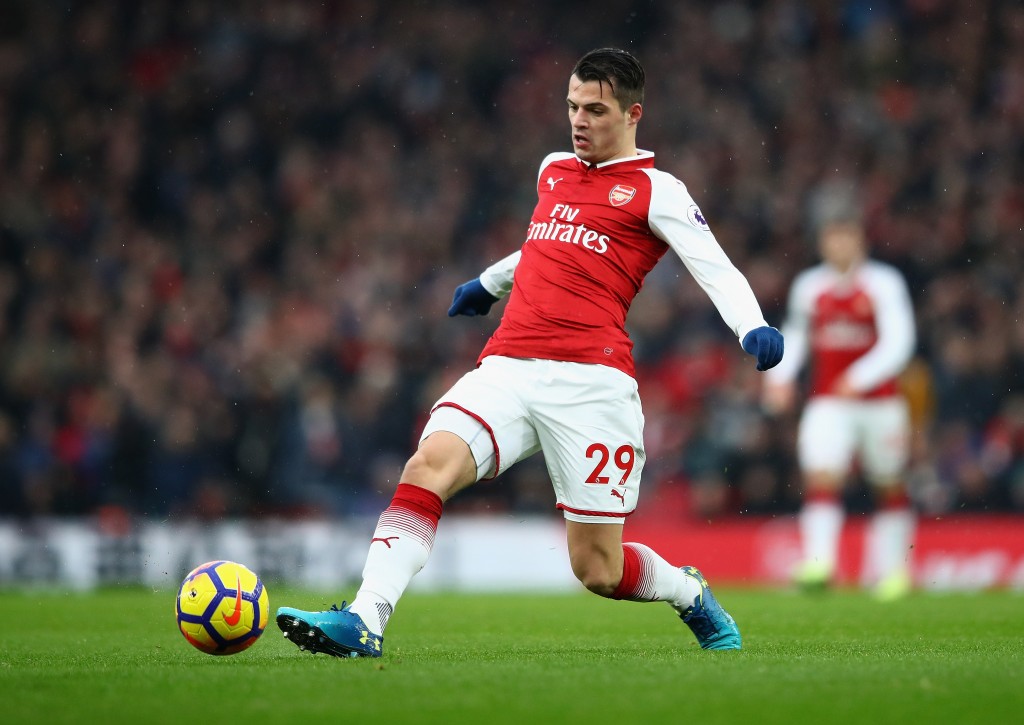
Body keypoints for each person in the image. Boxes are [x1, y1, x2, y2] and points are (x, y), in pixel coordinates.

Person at [276, 47, 784, 657]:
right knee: (427, 465)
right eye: (572, 107)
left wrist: (751, 326)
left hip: (592, 383)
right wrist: (488, 284)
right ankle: (366, 620)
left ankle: (687, 593)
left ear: (632, 114)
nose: (578, 121)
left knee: (598, 569)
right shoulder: (553, 170)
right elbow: (545, 248)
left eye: (595, 110)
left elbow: (717, 269)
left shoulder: (657, 191)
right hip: (509, 365)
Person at [762, 212, 916, 601]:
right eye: (833, 236)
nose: (840, 244)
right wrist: (779, 377)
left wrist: (860, 377)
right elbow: (796, 337)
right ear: (823, 242)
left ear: (860, 240)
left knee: (888, 482)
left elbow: (899, 341)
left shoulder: (884, 283)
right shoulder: (810, 286)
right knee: (821, 476)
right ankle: (820, 565)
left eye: (846, 236)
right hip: (829, 401)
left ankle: (894, 572)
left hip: (881, 404)